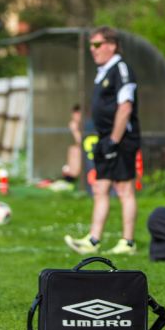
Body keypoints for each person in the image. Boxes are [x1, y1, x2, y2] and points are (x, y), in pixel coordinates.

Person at [64, 27, 140, 255]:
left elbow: (125, 107)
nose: (92, 50)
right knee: (100, 188)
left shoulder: (121, 69)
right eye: (91, 45)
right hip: (105, 139)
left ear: (112, 45)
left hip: (121, 139)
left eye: (97, 44)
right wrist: (105, 141)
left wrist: (114, 141)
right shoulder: (103, 71)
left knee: (124, 189)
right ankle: (93, 240)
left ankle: (128, 242)